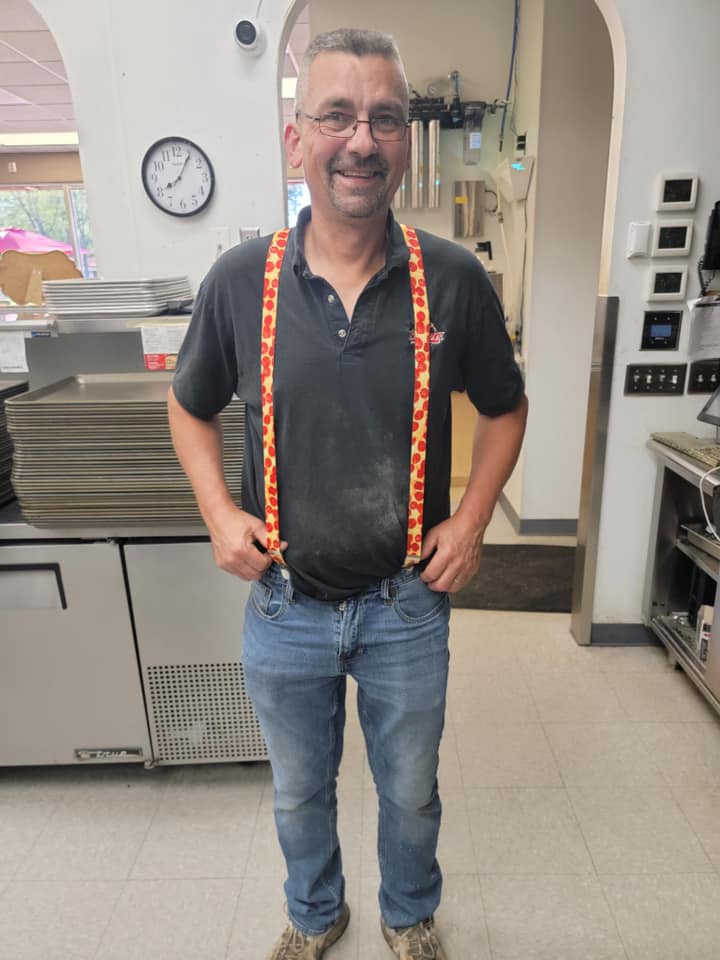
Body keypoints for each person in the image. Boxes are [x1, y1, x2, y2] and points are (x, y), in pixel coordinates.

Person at [168, 26, 527, 960]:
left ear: (405, 143)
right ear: (297, 139)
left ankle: (408, 914)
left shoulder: (453, 279)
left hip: (408, 603)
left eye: (385, 118)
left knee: (410, 790)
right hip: (283, 602)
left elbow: (506, 408)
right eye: (336, 115)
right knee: (298, 791)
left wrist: (471, 521)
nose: (361, 140)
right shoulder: (239, 283)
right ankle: (316, 912)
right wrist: (217, 512)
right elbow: (189, 407)